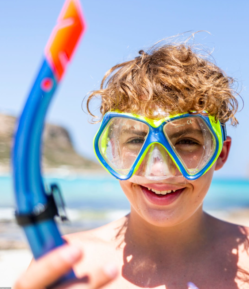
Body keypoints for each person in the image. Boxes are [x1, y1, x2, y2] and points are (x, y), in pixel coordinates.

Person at [14, 42, 249, 289]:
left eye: (186, 141)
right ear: (113, 149)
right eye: (137, 140)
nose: (158, 170)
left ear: (220, 154)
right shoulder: (68, 264)